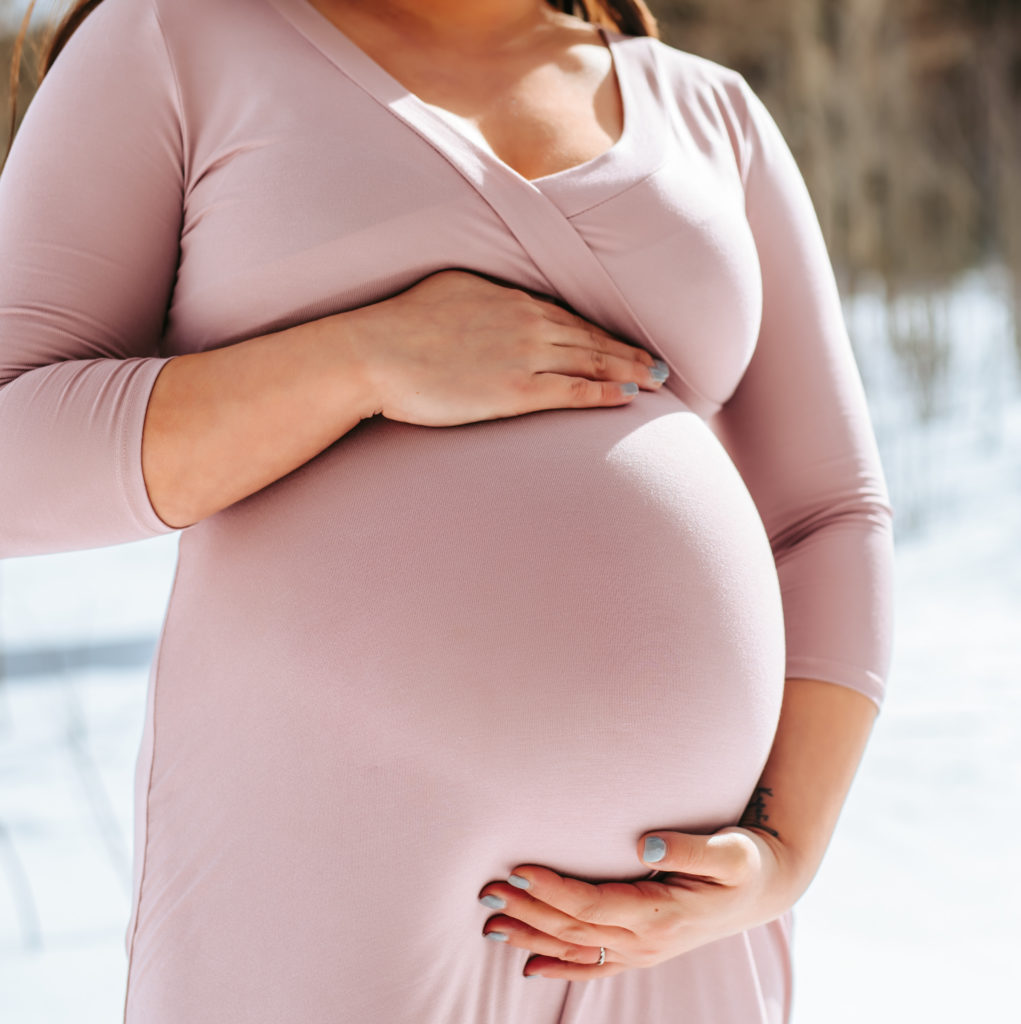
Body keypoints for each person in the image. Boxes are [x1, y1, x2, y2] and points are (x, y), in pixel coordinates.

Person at [0, 0, 895, 1021]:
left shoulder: (711, 115)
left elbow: (829, 516)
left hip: (671, 936)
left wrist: (782, 855)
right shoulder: (177, 38)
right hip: (321, 878)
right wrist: (361, 359)